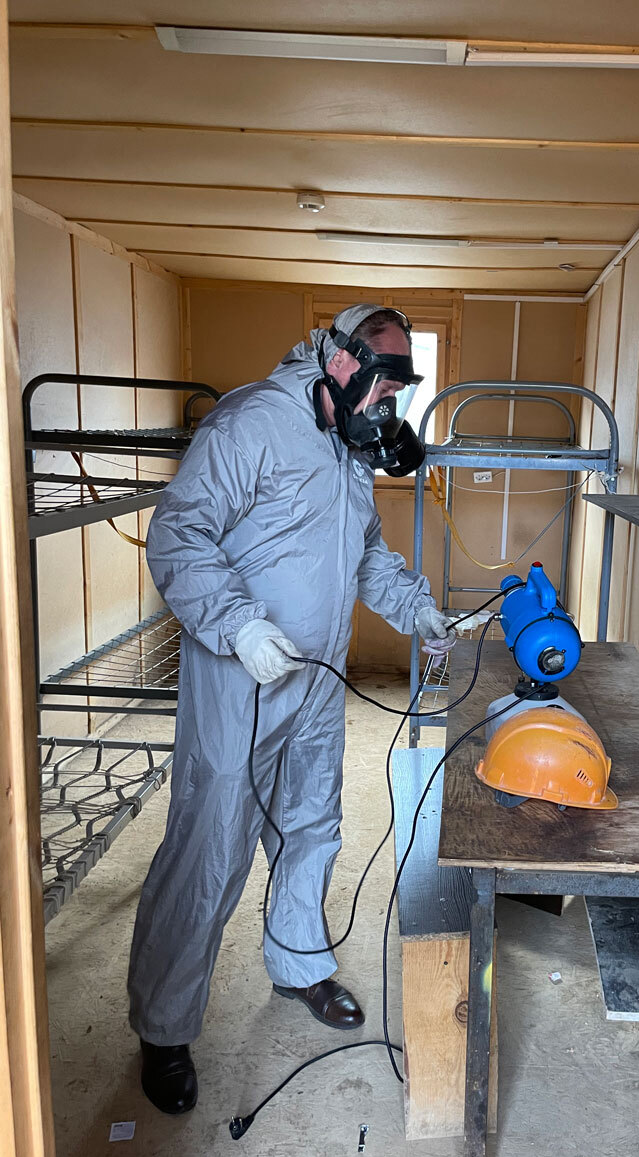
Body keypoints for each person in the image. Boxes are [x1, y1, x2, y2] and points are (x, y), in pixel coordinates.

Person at [128, 304, 456, 1115]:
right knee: (211, 846)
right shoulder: (252, 425)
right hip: (240, 675)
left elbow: (363, 552)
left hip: (315, 678)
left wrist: (414, 606)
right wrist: (238, 625)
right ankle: (164, 1028)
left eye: (399, 394)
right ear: (341, 362)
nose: (388, 409)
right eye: (384, 388)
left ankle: (300, 964)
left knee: (312, 823)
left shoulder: (347, 445)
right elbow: (178, 535)